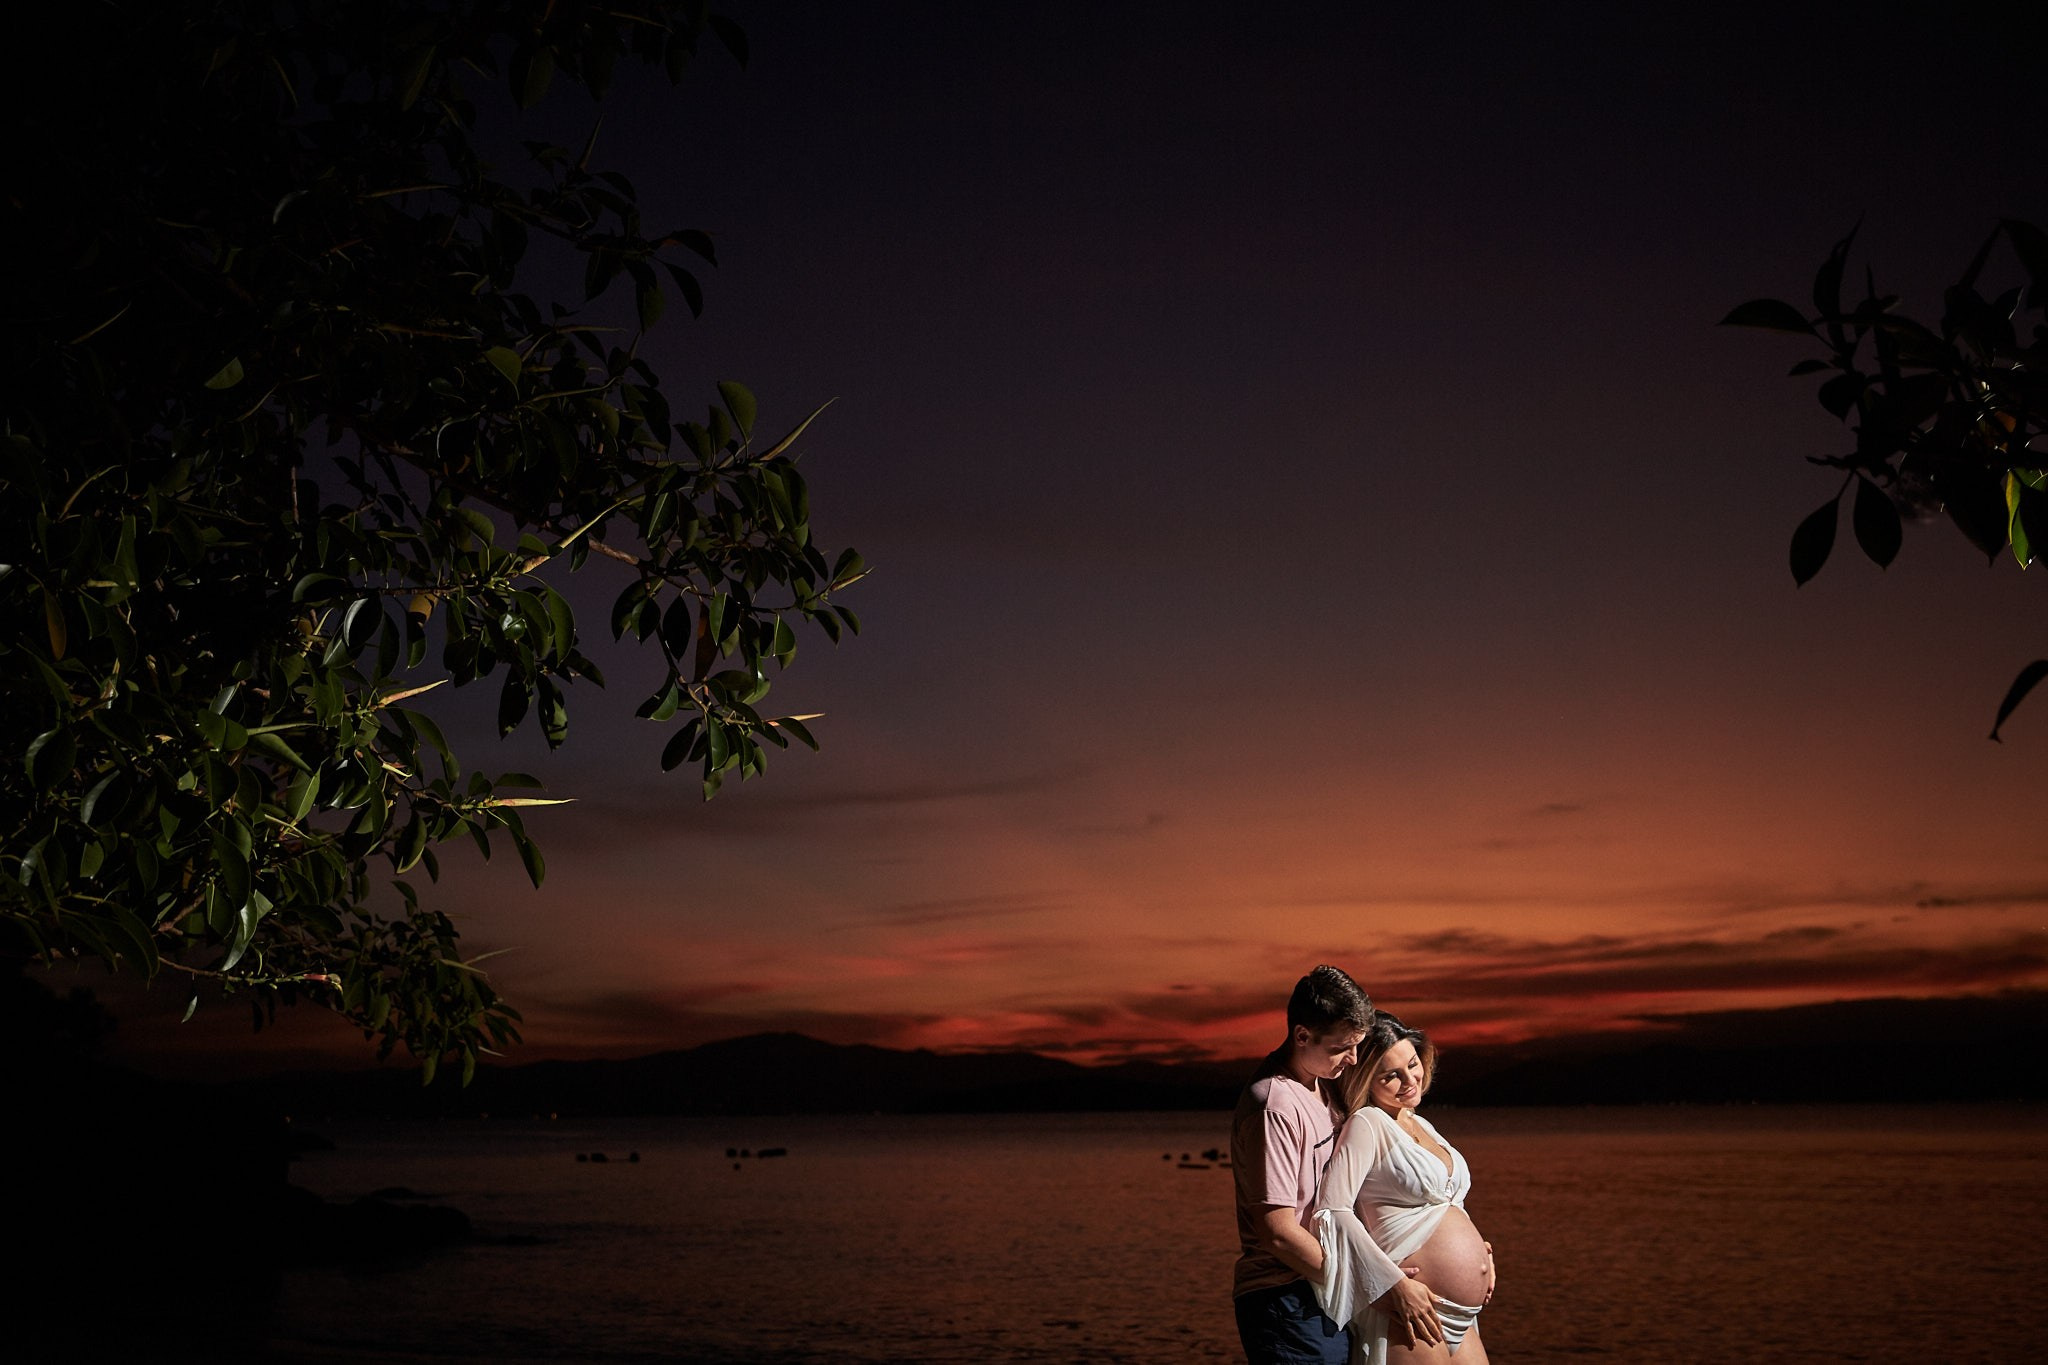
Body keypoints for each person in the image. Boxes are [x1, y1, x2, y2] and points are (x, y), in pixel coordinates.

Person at [1231, 966, 1440, 1365]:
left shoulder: (1323, 1084)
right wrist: (1375, 1284)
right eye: (1343, 1047)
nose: (1354, 1058)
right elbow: (1277, 1232)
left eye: (1357, 1045)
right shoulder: (1274, 1106)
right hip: (1287, 1299)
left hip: (1324, 1289)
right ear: (1302, 1036)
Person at [1313, 1014, 1496, 1364]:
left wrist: (1481, 1254)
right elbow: (1333, 1210)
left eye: (1412, 1064)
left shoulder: (1419, 1123)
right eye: (1390, 1076)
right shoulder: (1368, 1123)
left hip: (1460, 1315)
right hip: (1410, 1307)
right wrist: (1388, 1283)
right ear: (1366, 1080)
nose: (1409, 1080)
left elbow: (1445, 1205)